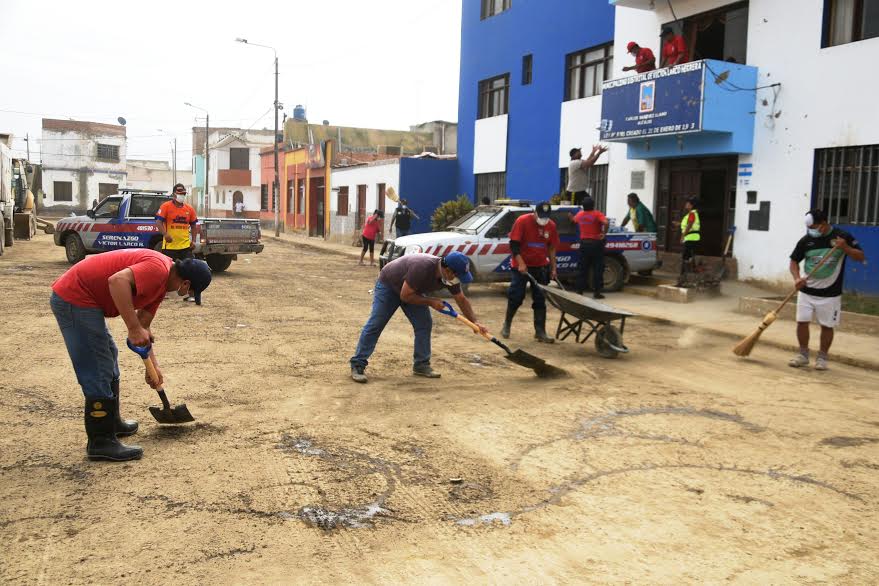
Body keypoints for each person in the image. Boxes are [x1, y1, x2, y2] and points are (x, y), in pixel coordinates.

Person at [50, 249, 212, 461]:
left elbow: (144, 327)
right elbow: (117, 281)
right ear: (186, 284)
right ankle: (100, 441)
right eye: (190, 293)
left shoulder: (161, 286)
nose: (186, 296)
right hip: (75, 297)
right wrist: (133, 328)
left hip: (87, 302)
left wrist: (153, 368)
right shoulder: (157, 269)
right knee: (98, 366)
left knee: (109, 354)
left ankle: (112, 423)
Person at [350, 251, 486, 383]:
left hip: (413, 290)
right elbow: (405, 296)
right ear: (448, 270)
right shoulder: (423, 268)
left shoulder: (450, 277)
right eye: (458, 275)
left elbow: (461, 299)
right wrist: (431, 302)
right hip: (389, 286)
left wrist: (475, 322)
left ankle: (421, 364)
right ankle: (358, 364)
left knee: (424, 324)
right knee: (376, 323)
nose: (458, 280)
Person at [789, 209, 865, 370]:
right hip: (806, 291)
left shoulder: (842, 236)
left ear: (824, 223)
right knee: (802, 322)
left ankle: (822, 358)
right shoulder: (806, 240)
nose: (812, 231)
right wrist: (797, 278)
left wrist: (845, 247)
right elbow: (793, 262)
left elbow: (860, 257)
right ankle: (803, 355)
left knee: (827, 325)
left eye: (814, 227)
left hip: (830, 294)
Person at [500, 202, 559, 343]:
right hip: (520, 266)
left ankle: (540, 332)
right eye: (541, 216)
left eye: (546, 217)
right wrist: (521, 263)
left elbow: (551, 248)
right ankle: (506, 325)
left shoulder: (551, 226)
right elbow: (514, 245)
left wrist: (553, 267)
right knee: (516, 296)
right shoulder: (522, 221)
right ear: (534, 212)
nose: (543, 220)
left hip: (540, 266)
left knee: (540, 298)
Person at [156, 184, 201, 303]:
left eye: (184, 194)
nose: (182, 196)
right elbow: (158, 222)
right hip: (169, 247)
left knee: (191, 270)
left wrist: (194, 240)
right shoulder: (165, 207)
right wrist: (165, 234)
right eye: (179, 193)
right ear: (174, 194)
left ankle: (191, 294)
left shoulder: (189, 209)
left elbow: (194, 225)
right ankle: (162, 293)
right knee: (167, 270)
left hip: (185, 246)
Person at [571, 196, 609, 299]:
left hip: (584, 244)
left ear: (583, 206)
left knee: (583, 268)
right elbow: (606, 222)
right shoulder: (597, 214)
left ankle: (579, 291)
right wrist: (603, 233)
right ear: (593, 205)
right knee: (598, 268)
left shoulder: (580, 214)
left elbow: (573, 221)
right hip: (596, 244)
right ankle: (597, 292)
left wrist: (570, 217)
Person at [675, 197, 701, 286]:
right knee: (689, 257)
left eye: (687, 203)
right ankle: (689, 276)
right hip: (692, 238)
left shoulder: (692, 214)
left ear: (691, 205)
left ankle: (683, 278)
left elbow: (689, 225)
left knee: (685, 258)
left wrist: (682, 236)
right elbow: (688, 224)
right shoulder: (692, 214)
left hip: (691, 238)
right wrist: (678, 224)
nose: (686, 205)